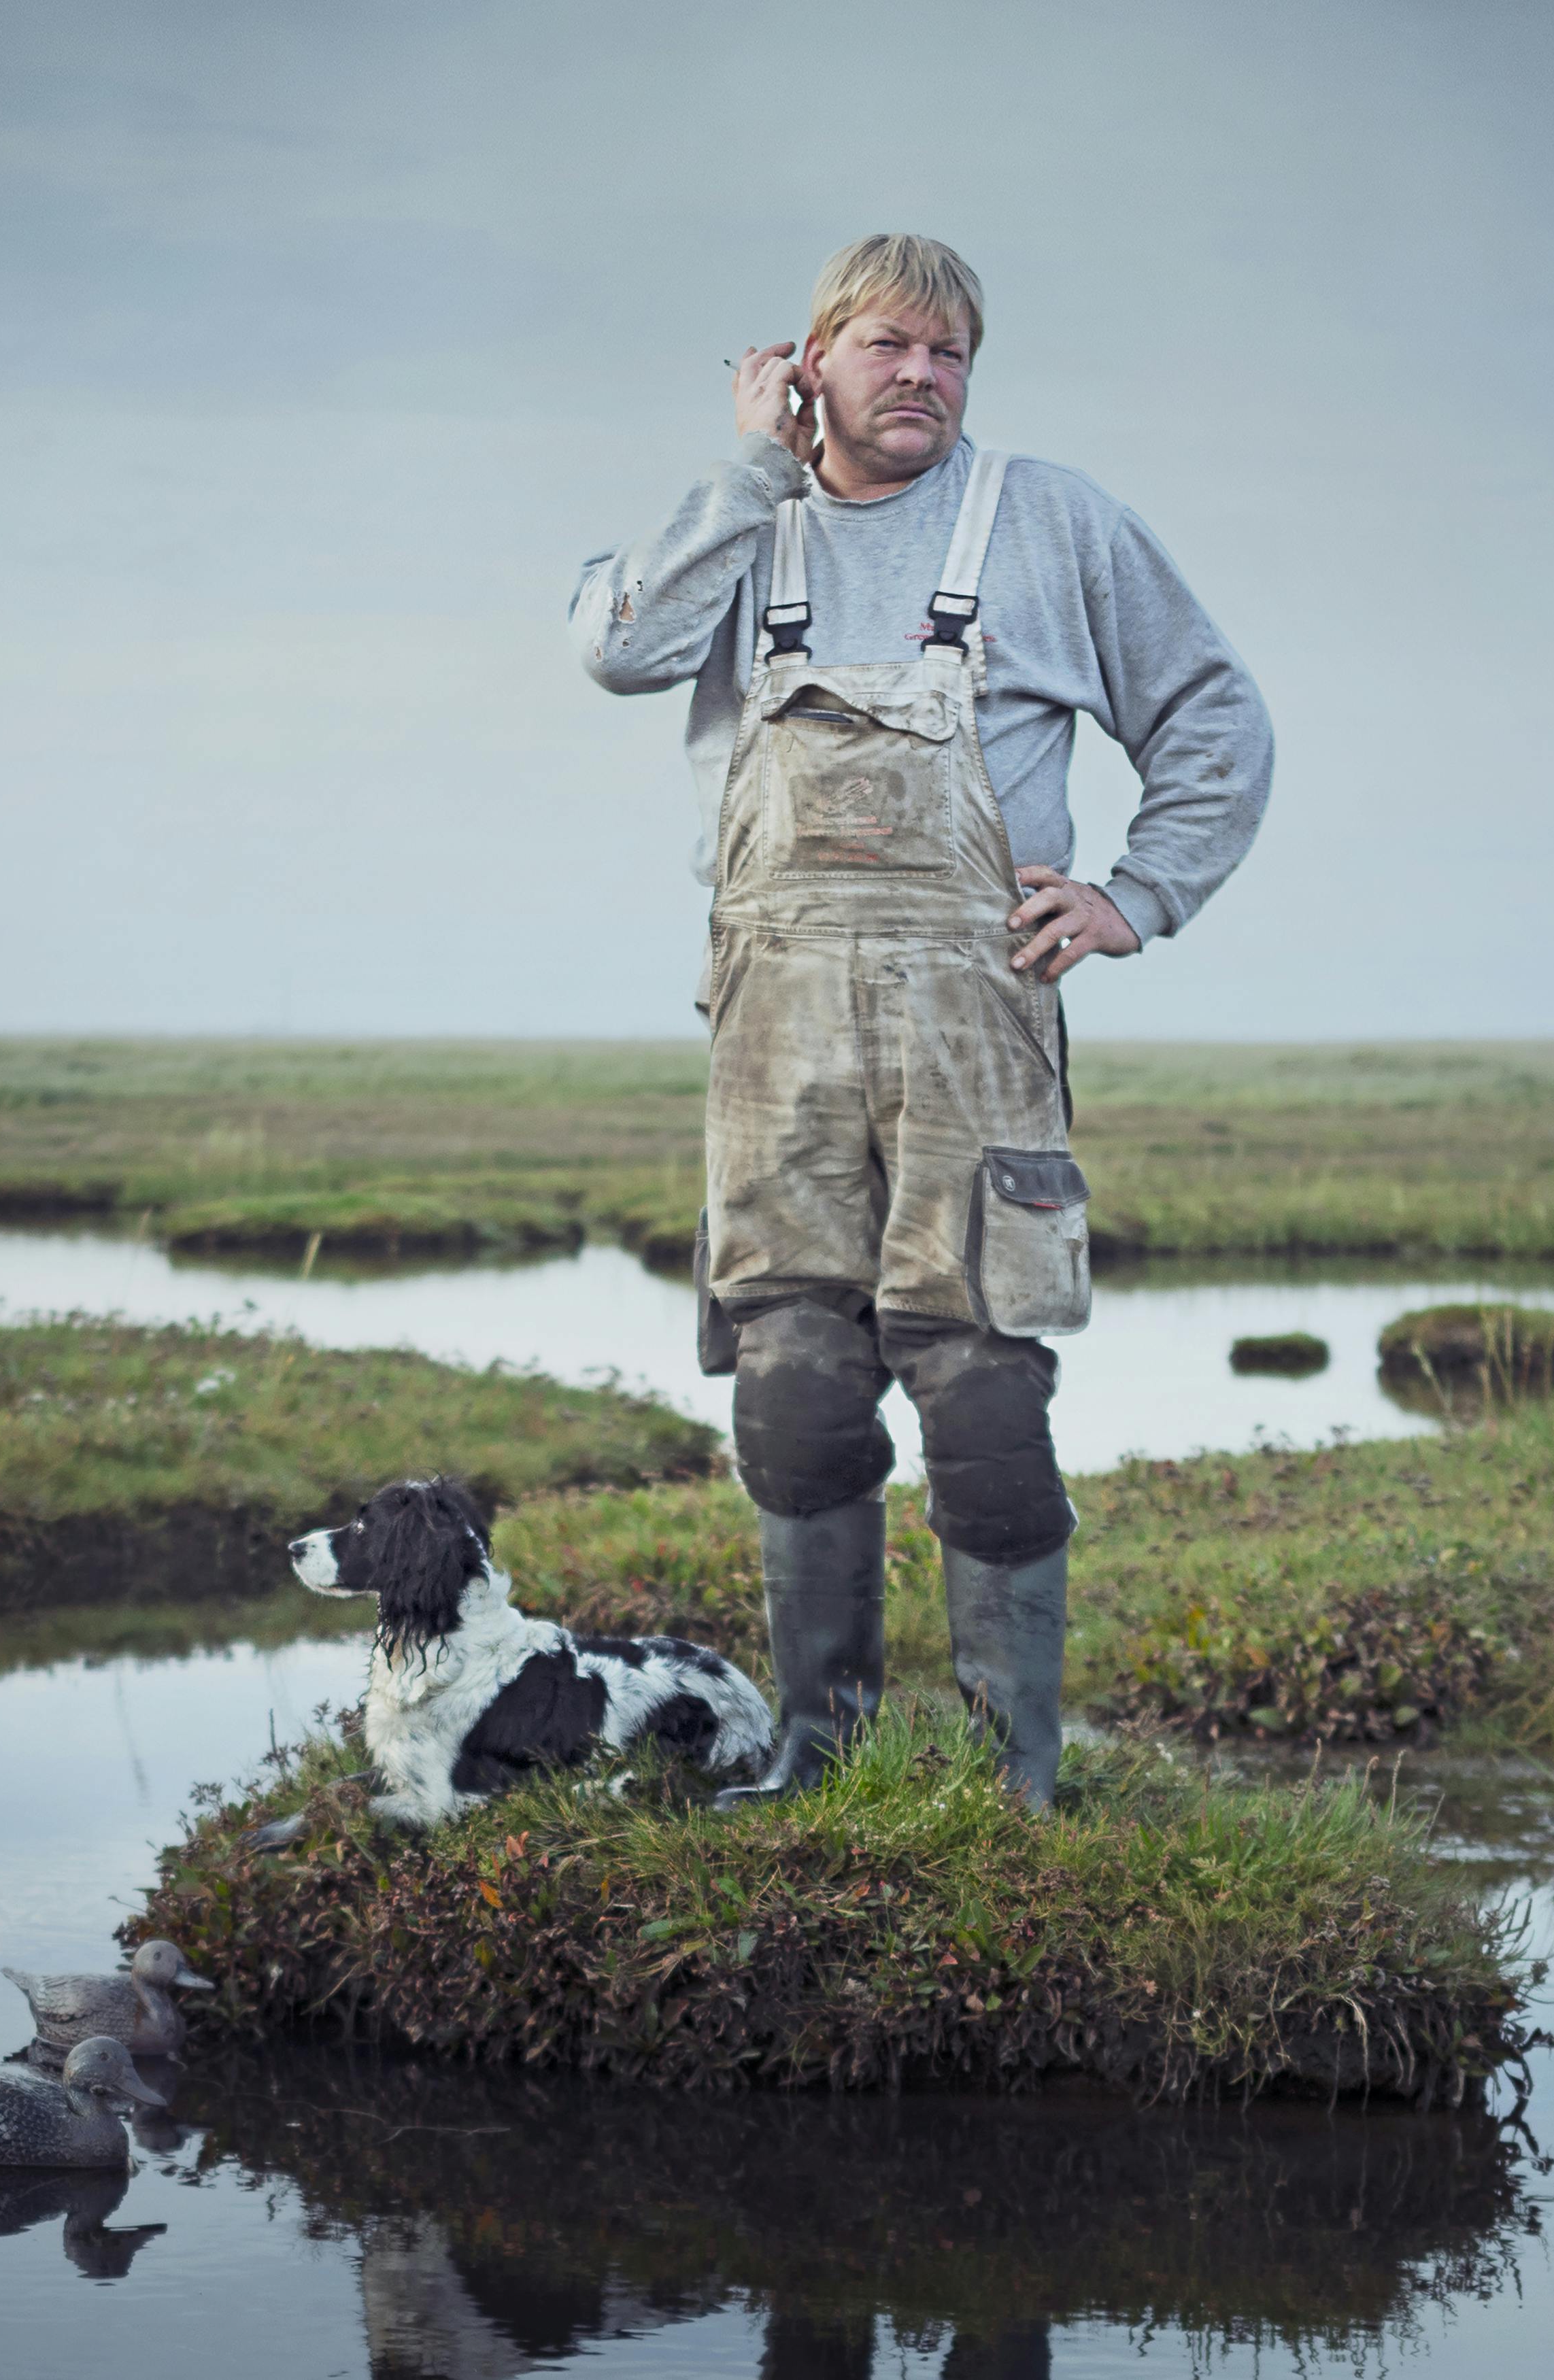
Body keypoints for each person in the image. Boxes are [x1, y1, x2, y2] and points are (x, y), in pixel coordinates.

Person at [569, 233, 1272, 1810]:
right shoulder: (739, 526)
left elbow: (1213, 713)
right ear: (805, 361)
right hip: (777, 1020)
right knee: (795, 1373)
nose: (925, 375)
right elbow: (618, 649)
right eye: (888, 345)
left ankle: (1007, 1768)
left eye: (951, 352)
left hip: (979, 1014)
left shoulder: (1050, 519)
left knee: (984, 1383)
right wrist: (748, 472)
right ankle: (821, 1750)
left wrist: (1132, 894)